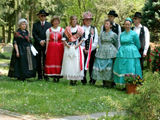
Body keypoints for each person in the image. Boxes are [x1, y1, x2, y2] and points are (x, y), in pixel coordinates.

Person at [113, 18, 142, 89]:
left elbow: (138, 45)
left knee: (130, 67)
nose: (127, 26)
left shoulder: (134, 34)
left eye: (128, 24)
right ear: (124, 25)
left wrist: (133, 51)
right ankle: (124, 84)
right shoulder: (122, 34)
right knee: (123, 68)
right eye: (126, 24)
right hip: (122, 52)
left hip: (131, 53)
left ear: (131, 25)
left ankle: (131, 84)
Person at [92, 19, 118, 87]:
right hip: (102, 50)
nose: (105, 25)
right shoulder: (102, 34)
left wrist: (114, 50)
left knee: (109, 64)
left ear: (111, 25)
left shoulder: (114, 34)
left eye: (107, 24)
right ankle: (102, 81)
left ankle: (109, 83)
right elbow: (100, 42)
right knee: (99, 63)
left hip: (110, 51)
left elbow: (116, 43)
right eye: (105, 24)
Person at [61, 15, 85, 85]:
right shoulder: (67, 29)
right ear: (70, 20)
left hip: (77, 47)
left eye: (76, 19)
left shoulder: (80, 29)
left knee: (76, 63)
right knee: (69, 63)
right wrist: (68, 45)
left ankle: (76, 78)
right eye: (73, 19)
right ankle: (71, 78)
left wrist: (76, 46)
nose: (74, 20)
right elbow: (64, 39)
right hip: (69, 46)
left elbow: (82, 39)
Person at [32, 9, 51, 80]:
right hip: (38, 45)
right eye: (42, 15)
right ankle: (39, 76)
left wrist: (45, 41)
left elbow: (50, 34)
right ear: (39, 16)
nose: (43, 17)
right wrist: (40, 41)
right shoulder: (35, 25)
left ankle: (46, 76)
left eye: (44, 16)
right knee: (38, 61)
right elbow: (34, 34)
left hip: (46, 45)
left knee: (46, 61)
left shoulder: (49, 24)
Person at [44, 16, 64, 82]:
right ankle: (53, 76)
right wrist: (46, 49)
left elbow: (63, 40)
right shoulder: (49, 30)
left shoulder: (62, 30)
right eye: (55, 21)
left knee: (58, 61)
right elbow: (47, 40)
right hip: (51, 47)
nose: (56, 22)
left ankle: (58, 76)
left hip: (59, 47)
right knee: (51, 61)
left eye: (57, 21)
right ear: (52, 22)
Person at [81, 11, 98, 85]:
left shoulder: (94, 29)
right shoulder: (81, 29)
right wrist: (84, 48)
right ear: (84, 20)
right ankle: (83, 78)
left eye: (90, 20)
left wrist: (91, 49)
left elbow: (96, 40)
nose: (88, 21)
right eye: (87, 20)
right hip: (83, 50)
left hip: (92, 50)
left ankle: (92, 79)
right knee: (83, 63)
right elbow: (79, 40)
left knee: (92, 64)